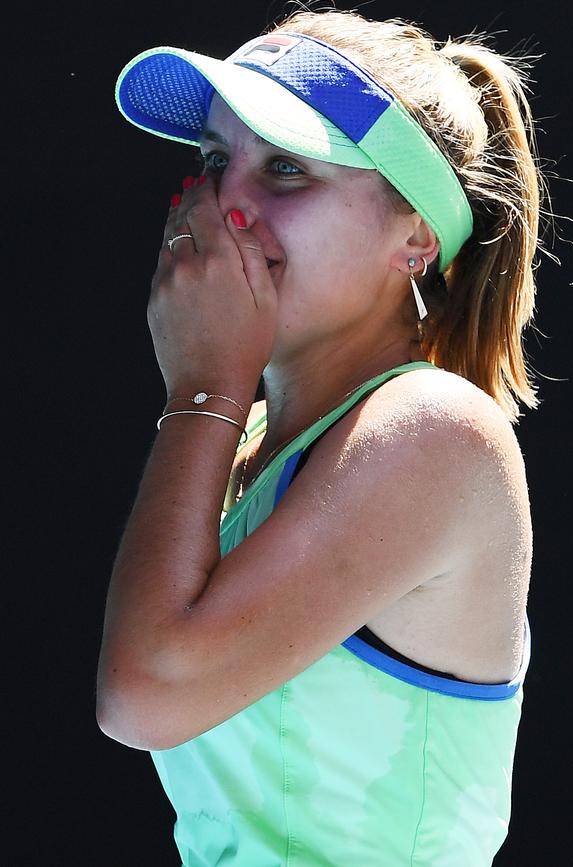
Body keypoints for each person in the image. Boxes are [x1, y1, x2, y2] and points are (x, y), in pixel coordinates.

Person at [97, 7, 546, 865]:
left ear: (414, 235)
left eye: (287, 169)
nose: (226, 201)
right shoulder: (239, 445)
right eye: (215, 160)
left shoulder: (435, 432)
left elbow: (145, 694)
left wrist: (205, 381)